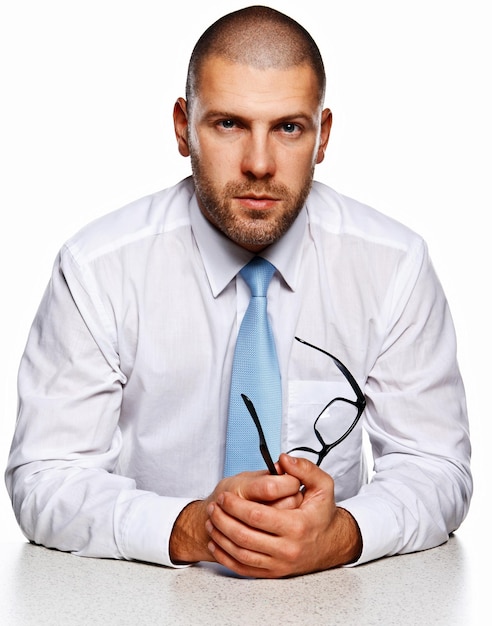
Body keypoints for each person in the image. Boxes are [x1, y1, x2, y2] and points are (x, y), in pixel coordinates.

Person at [5, 5, 472, 579]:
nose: (258, 163)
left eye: (288, 127)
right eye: (228, 124)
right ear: (183, 126)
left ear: (322, 136)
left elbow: (437, 466)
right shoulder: (99, 269)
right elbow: (44, 474)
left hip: (337, 605)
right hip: (144, 599)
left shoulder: (393, 266)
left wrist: (343, 535)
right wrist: (193, 527)